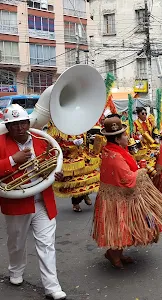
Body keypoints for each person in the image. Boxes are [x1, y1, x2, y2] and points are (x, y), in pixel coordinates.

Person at [92, 115, 162, 269]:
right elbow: (128, 179)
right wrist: (143, 171)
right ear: (118, 140)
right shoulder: (115, 156)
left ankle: (117, 254)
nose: (127, 137)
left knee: (122, 228)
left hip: (115, 197)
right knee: (120, 228)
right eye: (125, 135)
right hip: (118, 199)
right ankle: (113, 255)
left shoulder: (112, 151)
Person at [0, 104, 67, 300]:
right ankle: (16, 271)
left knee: (47, 245)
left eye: (22, 123)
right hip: (17, 202)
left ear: (29, 122)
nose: (19, 128)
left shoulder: (42, 140)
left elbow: (52, 163)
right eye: (14, 124)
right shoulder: (1, 142)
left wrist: (57, 173)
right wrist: (13, 160)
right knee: (16, 243)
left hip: (43, 201)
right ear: (8, 127)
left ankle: (52, 287)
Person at [47, 122, 100, 212]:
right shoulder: (57, 127)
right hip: (69, 158)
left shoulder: (79, 124)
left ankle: (84, 194)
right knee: (74, 181)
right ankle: (76, 202)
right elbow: (56, 143)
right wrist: (72, 143)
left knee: (88, 179)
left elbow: (84, 138)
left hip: (82, 156)